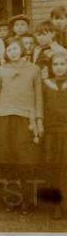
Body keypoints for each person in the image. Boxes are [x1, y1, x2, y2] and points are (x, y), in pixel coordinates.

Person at [0, 38, 43, 215]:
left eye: (15, 49)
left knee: (25, 162)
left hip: (25, 118)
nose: (12, 52)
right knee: (8, 161)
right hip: (4, 118)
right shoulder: (1, 70)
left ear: (22, 50)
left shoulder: (34, 70)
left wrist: (38, 119)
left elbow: (38, 97)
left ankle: (27, 201)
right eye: (9, 49)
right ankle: (12, 200)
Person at [42, 52, 67, 220]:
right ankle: (56, 205)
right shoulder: (46, 84)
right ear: (51, 67)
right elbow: (41, 107)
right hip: (51, 132)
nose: (59, 67)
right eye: (56, 64)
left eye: (62, 64)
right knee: (52, 167)